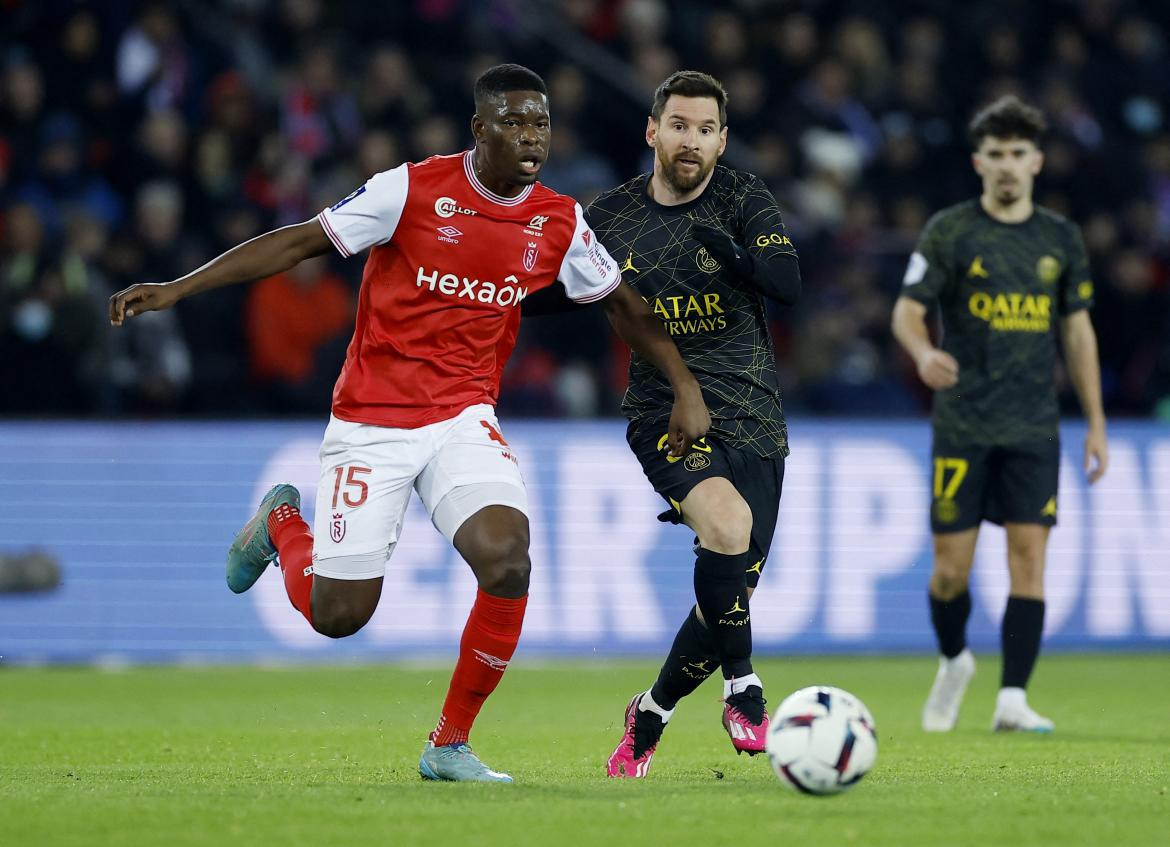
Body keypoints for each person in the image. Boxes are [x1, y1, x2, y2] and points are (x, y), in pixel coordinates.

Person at [109, 64, 709, 783]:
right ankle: (282, 526)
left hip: (462, 416)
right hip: (373, 419)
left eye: (541, 123)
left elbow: (622, 305)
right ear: (479, 130)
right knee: (339, 614)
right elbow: (301, 241)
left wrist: (684, 386)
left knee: (508, 561)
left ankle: (448, 743)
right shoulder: (410, 189)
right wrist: (179, 287)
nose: (531, 137)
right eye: (514, 123)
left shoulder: (556, 220)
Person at [560, 70, 801, 777]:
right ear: (652, 131)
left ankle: (651, 714)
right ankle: (745, 689)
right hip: (665, 413)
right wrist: (491, 296)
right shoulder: (611, 216)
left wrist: (741, 260)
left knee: (727, 596)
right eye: (678, 125)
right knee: (726, 531)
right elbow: (564, 293)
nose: (690, 140)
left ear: (722, 141)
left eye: (704, 129)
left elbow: (788, 286)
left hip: (754, 415)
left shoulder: (742, 197)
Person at [891, 95, 1108, 734]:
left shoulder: (1060, 239)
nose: (1008, 166)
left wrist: (1095, 421)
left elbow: (1079, 334)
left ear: (1037, 161)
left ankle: (1012, 696)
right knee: (950, 572)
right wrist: (924, 349)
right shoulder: (951, 231)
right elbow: (906, 309)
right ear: (978, 162)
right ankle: (955, 659)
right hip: (964, 422)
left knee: (1027, 559)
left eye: (1018, 154)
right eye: (996, 155)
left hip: (1033, 425)